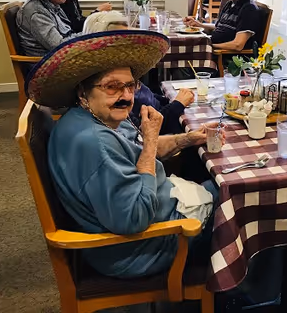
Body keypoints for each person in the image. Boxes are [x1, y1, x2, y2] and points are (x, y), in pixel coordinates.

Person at [25, 30, 221, 279]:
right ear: (83, 93)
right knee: (234, 200)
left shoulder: (97, 117)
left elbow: (136, 152)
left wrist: (186, 139)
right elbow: (134, 219)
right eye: (112, 87)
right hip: (138, 249)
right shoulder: (94, 142)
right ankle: (240, 292)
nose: (127, 96)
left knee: (216, 185)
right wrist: (150, 142)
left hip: (154, 214)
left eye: (130, 85)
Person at [83, 11, 195, 135]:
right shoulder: (112, 89)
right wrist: (178, 104)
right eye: (121, 42)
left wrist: (172, 99)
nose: (129, 46)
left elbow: (150, 97)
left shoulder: (124, 71)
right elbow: (143, 131)